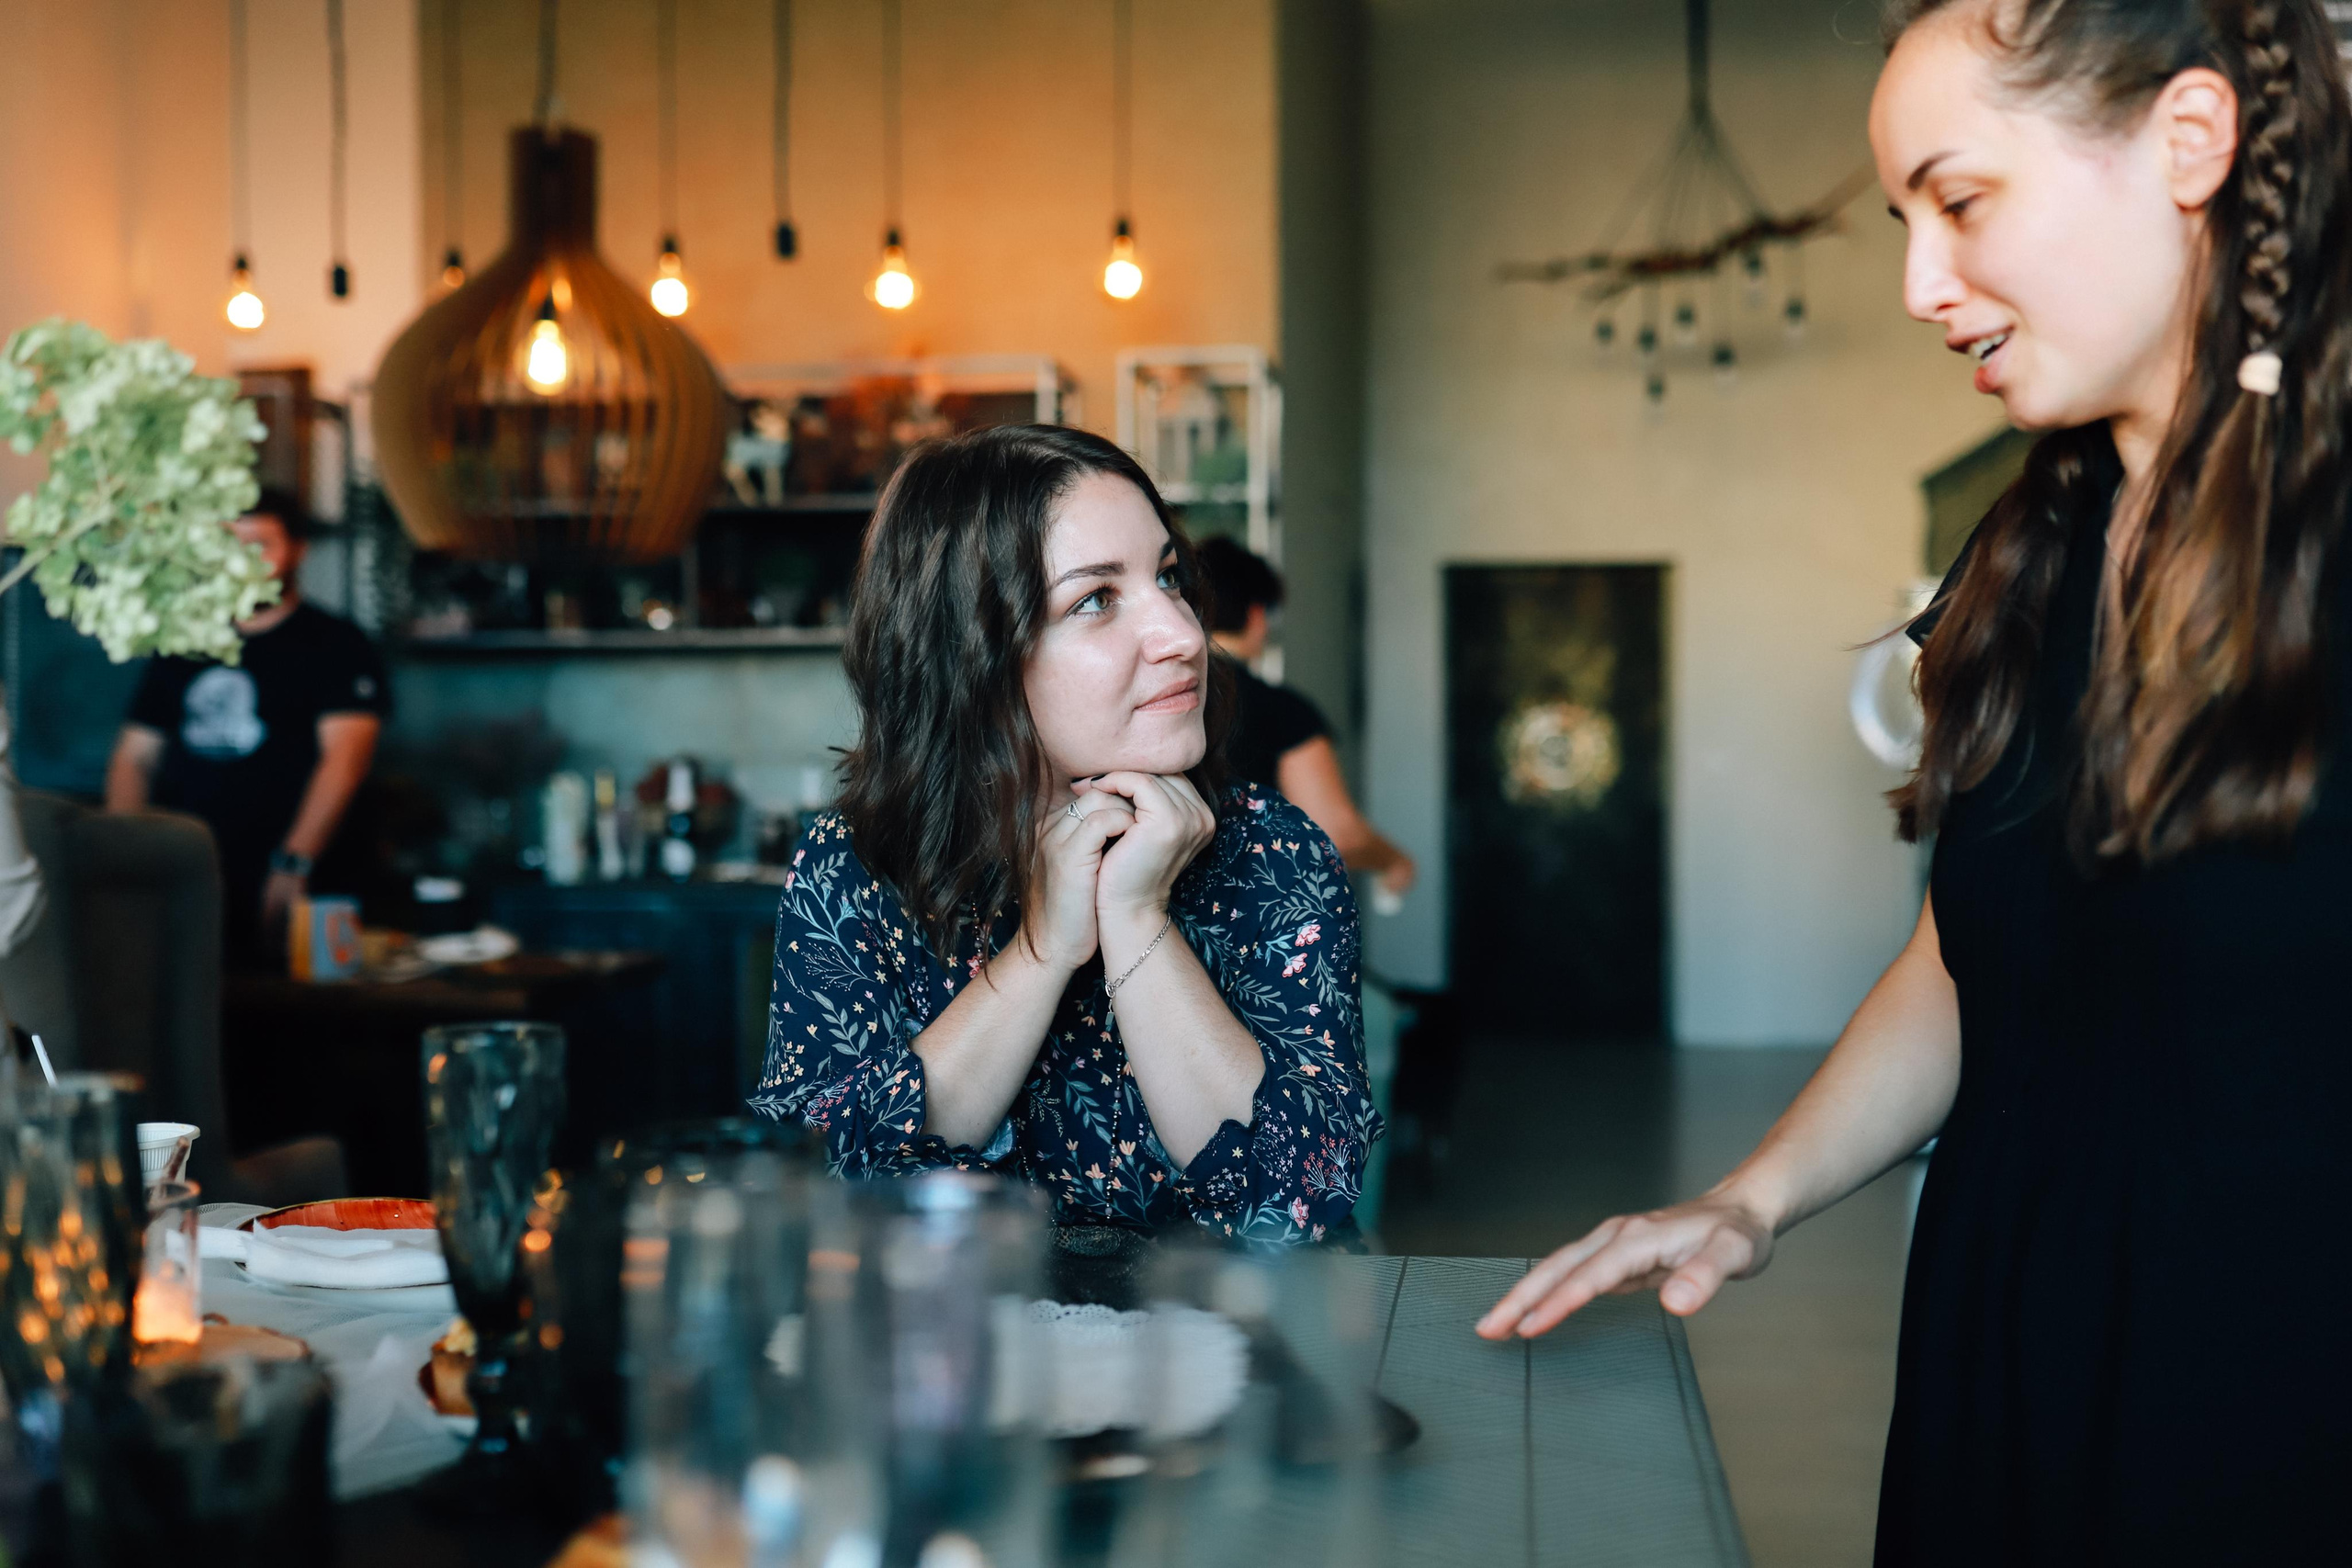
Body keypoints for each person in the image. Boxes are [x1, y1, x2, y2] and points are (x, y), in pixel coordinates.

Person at [1479, 0, 2352, 1560]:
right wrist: (1751, 1199)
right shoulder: (2039, 547)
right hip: (2001, 1370)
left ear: (2191, 145)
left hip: (2259, 1412)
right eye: (1904, 220)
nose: (1919, 284)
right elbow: (1980, 949)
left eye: (1962, 200)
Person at [751, 425, 1379, 1242]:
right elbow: (829, 1197)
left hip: (1231, 1361)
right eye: (1096, 599)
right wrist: (1044, 949)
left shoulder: (1272, 850)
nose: (1186, 635)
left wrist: (1137, 915)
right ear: (970, 653)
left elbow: (1296, 1210)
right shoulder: (859, 865)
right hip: (957, 1367)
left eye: (1169, 578)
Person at [106, 490, 388, 967]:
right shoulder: (184, 642)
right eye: (230, 545)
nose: (242, 561)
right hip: (189, 883)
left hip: (296, 883)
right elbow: (134, 757)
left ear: (298, 549)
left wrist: (294, 862)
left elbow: (346, 760)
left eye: (260, 545)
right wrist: (125, 857)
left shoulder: (336, 643)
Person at [1193, 537, 1416, 899]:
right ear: (1257, 615)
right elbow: (1337, 833)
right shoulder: (1281, 709)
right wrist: (1394, 861)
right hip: (1244, 923)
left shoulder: (1161, 697)